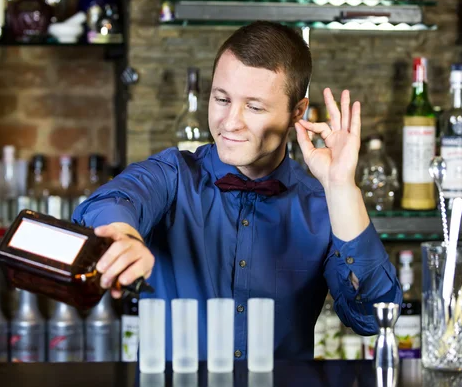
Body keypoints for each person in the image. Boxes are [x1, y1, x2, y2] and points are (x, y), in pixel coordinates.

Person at [72, 20, 402, 361]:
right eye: (222, 99)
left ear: (296, 113)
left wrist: (342, 188)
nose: (230, 121)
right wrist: (122, 234)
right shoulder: (173, 175)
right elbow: (112, 201)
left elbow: (373, 316)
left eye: (254, 107)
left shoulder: (323, 205)